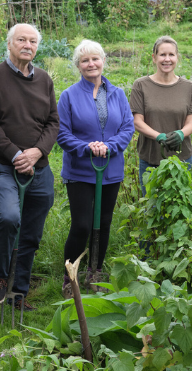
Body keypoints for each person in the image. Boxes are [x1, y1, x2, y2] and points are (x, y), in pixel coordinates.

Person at [0, 23, 59, 311]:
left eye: (33, 41)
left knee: (32, 234)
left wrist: (37, 152)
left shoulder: (44, 80)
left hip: (39, 169)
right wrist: (15, 154)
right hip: (5, 166)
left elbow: (53, 122)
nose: (28, 45)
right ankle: (0, 277)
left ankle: (20, 291)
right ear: (10, 44)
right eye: (22, 40)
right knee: (11, 217)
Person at [57, 40, 134, 298]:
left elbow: (127, 128)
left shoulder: (118, 94)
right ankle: (70, 276)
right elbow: (62, 133)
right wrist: (87, 147)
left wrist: (109, 146)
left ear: (103, 61)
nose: (91, 64)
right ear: (78, 66)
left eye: (95, 59)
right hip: (80, 170)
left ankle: (95, 272)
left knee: (104, 222)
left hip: (110, 170)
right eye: (85, 60)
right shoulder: (68, 96)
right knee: (81, 224)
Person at [129, 36, 192, 194]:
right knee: (151, 207)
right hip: (151, 158)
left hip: (181, 159)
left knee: (179, 207)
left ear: (177, 57)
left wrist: (181, 133)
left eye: (171, 55)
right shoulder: (141, 85)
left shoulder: (188, 87)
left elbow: (191, 122)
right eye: (162, 55)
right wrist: (159, 136)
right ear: (154, 58)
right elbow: (137, 121)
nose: (167, 59)